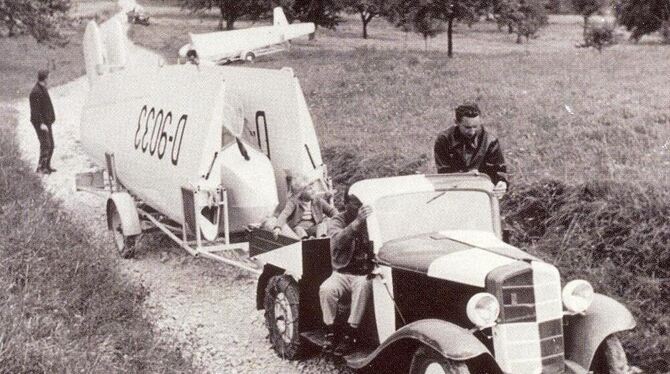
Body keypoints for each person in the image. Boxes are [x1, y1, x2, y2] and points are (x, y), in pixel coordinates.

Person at [319, 191, 374, 356]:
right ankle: (331, 330)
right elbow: (337, 242)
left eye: (362, 203)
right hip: (342, 272)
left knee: (363, 286)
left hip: (363, 273)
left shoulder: (371, 219)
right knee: (326, 289)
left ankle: (351, 332)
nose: (360, 207)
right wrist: (357, 223)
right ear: (345, 204)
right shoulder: (337, 220)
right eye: (356, 203)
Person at [434, 102, 508, 198]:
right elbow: (443, 173)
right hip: (454, 193)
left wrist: (502, 183)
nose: (472, 132)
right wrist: (466, 177)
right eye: (467, 127)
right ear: (456, 122)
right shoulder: (444, 140)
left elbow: (498, 170)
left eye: (476, 126)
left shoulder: (490, 141)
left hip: (481, 192)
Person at [273, 175, 338, 239]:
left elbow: (331, 211)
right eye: (309, 189)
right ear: (301, 192)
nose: (313, 190)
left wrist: (339, 220)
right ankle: (305, 241)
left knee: (322, 225)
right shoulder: (293, 202)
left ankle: (320, 240)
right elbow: (284, 214)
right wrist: (278, 227)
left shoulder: (318, 200)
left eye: (313, 187)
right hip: (299, 228)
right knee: (299, 230)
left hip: (313, 227)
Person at [29, 69, 56, 174]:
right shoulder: (36, 92)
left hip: (46, 121)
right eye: (48, 77)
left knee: (51, 144)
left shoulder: (42, 88)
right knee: (46, 144)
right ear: (45, 78)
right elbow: (35, 111)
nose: (49, 79)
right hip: (41, 123)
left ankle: (47, 166)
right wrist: (41, 124)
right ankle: (41, 168)